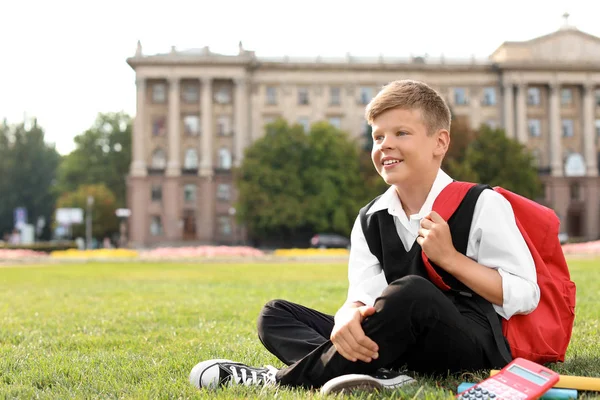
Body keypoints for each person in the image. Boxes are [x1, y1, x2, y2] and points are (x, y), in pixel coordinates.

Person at [189, 79, 540, 394]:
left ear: (440, 142)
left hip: (469, 342)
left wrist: (451, 260)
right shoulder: (371, 217)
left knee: (410, 291)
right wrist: (346, 317)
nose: (385, 145)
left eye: (401, 133)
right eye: (377, 137)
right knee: (275, 314)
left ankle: (279, 379)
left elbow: (526, 293)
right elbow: (363, 297)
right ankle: (383, 373)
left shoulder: (481, 203)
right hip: (399, 339)